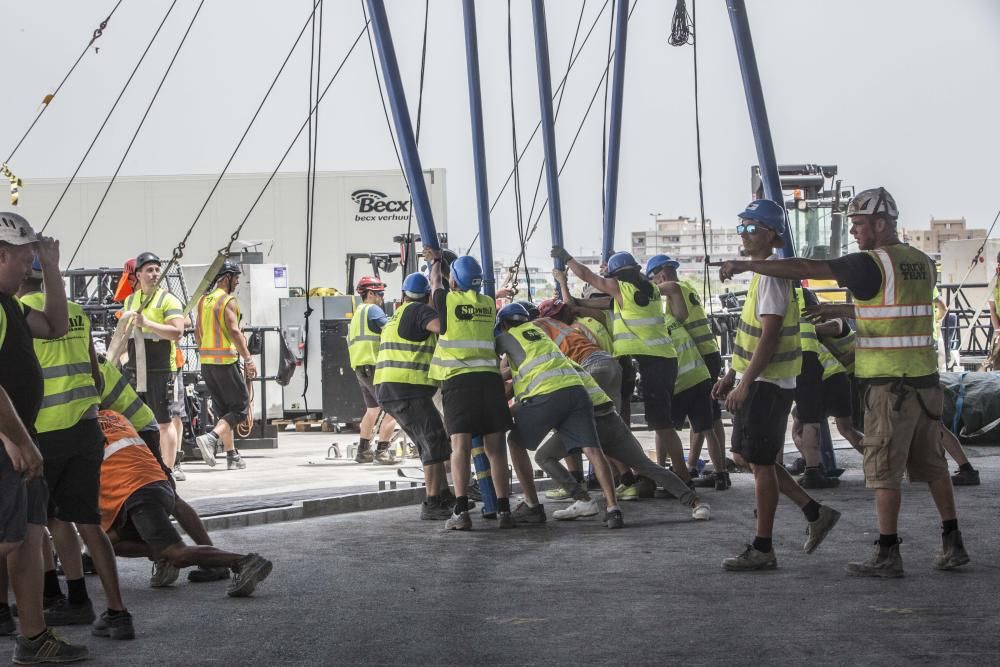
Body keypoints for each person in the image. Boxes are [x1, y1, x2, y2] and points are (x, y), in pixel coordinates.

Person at [715, 188, 969, 576]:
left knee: (883, 471)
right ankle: (953, 543)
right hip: (925, 381)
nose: (854, 233)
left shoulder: (872, 262)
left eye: (859, 225)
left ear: (881, 223)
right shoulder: (919, 262)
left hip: (890, 385)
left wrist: (748, 266)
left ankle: (887, 553)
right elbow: (892, 308)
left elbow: (806, 269)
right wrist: (838, 308)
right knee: (933, 465)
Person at [711, 199, 841, 571]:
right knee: (750, 458)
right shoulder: (763, 274)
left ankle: (763, 547)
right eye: (742, 228)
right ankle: (813, 511)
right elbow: (751, 337)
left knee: (761, 464)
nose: (745, 235)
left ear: (771, 235)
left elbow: (768, 339)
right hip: (763, 382)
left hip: (769, 384)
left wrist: (744, 384)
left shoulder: (770, 276)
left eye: (752, 228)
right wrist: (732, 375)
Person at [16, 261, 134, 637]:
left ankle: (49, 606)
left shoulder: (21, 314)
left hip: (43, 432)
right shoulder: (77, 312)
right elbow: (96, 376)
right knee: (85, 522)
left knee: (36, 524)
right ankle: (116, 612)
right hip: (85, 428)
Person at [0, 211, 88, 663]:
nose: (29, 265)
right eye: (25, 257)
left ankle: (32, 637)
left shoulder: (10, 306)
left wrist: (54, 268)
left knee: (30, 537)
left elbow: (54, 326)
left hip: (19, 438)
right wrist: (16, 438)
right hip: (10, 442)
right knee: (11, 540)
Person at [552, 248, 692, 484]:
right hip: (663, 359)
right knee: (660, 423)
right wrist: (579, 302)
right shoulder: (650, 291)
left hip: (652, 363)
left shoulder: (621, 289)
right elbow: (612, 302)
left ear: (616, 276)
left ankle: (682, 478)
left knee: (662, 425)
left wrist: (567, 258)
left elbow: (587, 275)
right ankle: (664, 475)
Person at [97, 410, 273, 597]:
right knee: (105, 542)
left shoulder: (80, 430)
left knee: (178, 554)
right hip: (158, 484)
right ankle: (165, 557)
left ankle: (243, 561)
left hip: (137, 495)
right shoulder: (115, 417)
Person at [98, 356, 228, 584]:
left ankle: (199, 558)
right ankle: (176, 555)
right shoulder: (74, 344)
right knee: (168, 496)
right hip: (130, 424)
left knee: (168, 495)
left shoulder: (62, 351)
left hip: (131, 428)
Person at [494, 304, 623, 528]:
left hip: (548, 394)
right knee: (592, 450)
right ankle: (613, 509)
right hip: (577, 392)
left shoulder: (507, 337)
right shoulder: (540, 335)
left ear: (504, 324)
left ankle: (533, 505)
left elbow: (497, 370)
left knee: (514, 442)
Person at [426, 250, 514, 530]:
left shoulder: (446, 301)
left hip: (459, 382)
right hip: (489, 381)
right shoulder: (489, 303)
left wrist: (434, 261)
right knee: (497, 450)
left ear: (455, 283)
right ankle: (504, 511)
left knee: (460, 448)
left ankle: (461, 512)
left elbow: (435, 283)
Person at [373, 272, 454, 520]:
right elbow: (441, 326)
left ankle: (443, 495)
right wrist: (443, 300)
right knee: (434, 440)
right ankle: (432, 502)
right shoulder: (419, 311)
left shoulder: (397, 314)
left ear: (403, 294)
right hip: (407, 388)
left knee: (428, 442)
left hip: (392, 388)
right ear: (427, 295)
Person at [645, 255, 729, 492]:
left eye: (653, 280)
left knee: (707, 420)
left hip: (700, 358)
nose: (655, 286)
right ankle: (699, 467)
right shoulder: (687, 289)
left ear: (661, 275)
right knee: (705, 419)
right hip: (706, 356)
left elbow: (668, 293)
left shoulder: (676, 290)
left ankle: (693, 470)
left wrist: (640, 289)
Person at [122, 252, 186, 480]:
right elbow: (124, 334)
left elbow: (178, 331)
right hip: (135, 371)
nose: (154, 274)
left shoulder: (167, 300)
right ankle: (144, 468)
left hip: (160, 370)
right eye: (149, 270)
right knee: (136, 423)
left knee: (163, 422)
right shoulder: (130, 300)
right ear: (138, 274)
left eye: (157, 270)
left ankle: (167, 470)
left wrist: (148, 323)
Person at [193, 260, 254, 471]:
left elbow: (197, 332)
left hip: (207, 363)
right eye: (236, 277)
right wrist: (248, 358)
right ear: (226, 277)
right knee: (240, 409)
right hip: (225, 362)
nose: (237, 282)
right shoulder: (228, 301)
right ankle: (211, 438)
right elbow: (235, 332)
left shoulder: (203, 301)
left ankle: (231, 455)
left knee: (224, 412)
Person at [347, 275, 397, 464]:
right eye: (379, 293)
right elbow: (391, 331)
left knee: (373, 410)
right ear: (369, 293)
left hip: (361, 367)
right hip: (374, 366)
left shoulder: (358, 311)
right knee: (393, 409)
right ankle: (382, 451)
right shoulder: (373, 310)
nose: (382, 297)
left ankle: (363, 451)